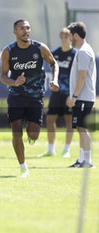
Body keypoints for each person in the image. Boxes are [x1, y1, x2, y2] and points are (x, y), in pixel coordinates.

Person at [0, 19, 59, 178]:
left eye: (28, 28)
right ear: (15, 32)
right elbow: (3, 76)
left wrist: (55, 79)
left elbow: (54, 64)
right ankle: (23, 167)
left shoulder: (40, 48)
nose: (25, 31)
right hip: (16, 97)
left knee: (33, 134)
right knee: (16, 131)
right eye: (21, 28)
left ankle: (31, 136)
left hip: (35, 98)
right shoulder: (8, 51)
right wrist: (14, 82)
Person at [38, 28, 76, 158]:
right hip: (57, 92)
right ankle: (50, 149)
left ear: (71, 39)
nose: (64, 39)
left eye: (66, 37)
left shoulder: (75, 54)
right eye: (62, 37)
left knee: (69, 120)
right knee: (50, 119)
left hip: (69, 93)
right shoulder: (55, 53)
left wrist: (73, 95)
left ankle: (66, 150)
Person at [66, 22, 96, 168]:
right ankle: (81, 159)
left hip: (83, 97)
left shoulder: (84, 51)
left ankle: (87, 161)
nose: (69, 38)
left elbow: (82, 77)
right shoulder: (82, 50)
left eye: (70, 35)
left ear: (75, 35)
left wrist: (75, 96)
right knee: (80, 127)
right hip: (81, 97)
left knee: (82, 128)